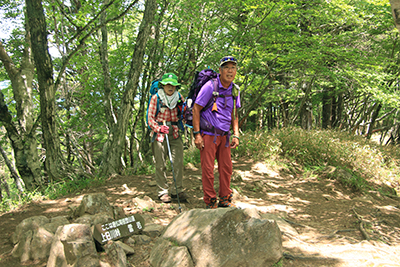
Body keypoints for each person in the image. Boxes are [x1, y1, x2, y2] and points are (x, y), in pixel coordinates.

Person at [192, 56, 241, 209]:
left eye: (233, 68)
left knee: (226, 168)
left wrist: (236, 134)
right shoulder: (210, 86)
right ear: (220, 70)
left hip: (225, 136)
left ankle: (225, 198)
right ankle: (210, 200)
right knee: (208, 169)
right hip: (208, 134)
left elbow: (234, 114)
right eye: (226, 67)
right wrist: (197, 134)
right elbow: (196, 109)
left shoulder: (235, 89)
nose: (230, 71)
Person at [147, 73, 187, 203]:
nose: (170, 87)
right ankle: (162, 192)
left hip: (174, 133)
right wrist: (158, 128)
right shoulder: (156, 98)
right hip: (159, 135)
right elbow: (150, 119)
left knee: (178, 163)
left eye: (173, 85)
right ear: (163, 85)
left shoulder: (179, 97)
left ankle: (177, 190)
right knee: (160, 164)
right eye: (168, 85)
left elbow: (183, 114)